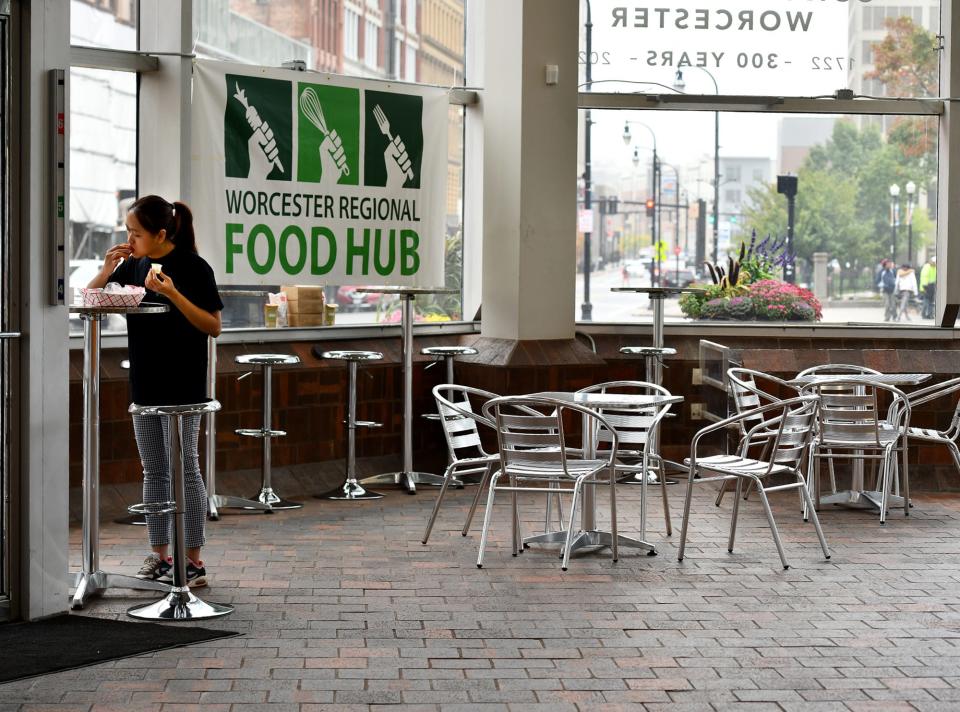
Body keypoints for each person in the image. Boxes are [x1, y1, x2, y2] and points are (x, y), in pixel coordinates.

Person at [87, 195, 223, 587]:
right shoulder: (132, 265)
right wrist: (106, 268)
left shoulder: (193, 266)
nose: (129, 239)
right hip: (145, 381)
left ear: (161, 234)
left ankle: (193, 561)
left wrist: (172, 293)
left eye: (136, 233)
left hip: (184, 383)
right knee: (155, 468)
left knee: (186, 468)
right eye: (127, 231)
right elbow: (91, 301)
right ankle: (160, 555)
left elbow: (212, 326)